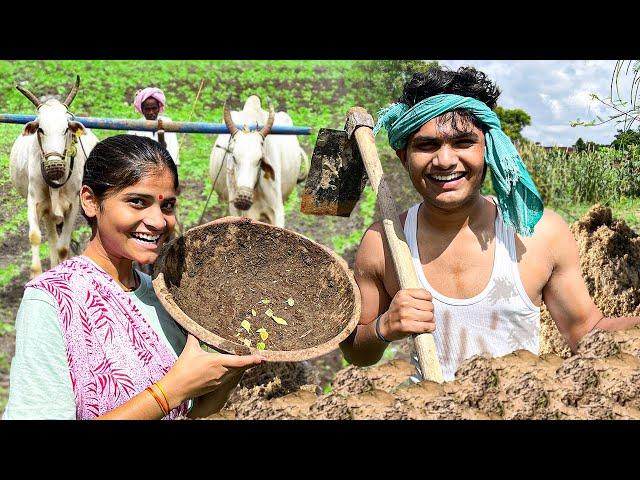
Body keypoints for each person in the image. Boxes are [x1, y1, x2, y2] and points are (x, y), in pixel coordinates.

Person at [339, 66, 640, 383]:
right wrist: (383, 327)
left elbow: (587, 332)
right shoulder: (383, 243)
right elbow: (357, 353)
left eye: (463, 142)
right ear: (404, 157)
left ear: (489, 148)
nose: (444, 160)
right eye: (426, 145)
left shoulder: (539, 235)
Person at [3, 135, 265, 419]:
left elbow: (194, 410)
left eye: (167, 206)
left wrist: (234, 365)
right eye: (138, 202)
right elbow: (173, 395)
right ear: (90, 201)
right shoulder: (52, 301)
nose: (158, 221)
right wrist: (170, 391)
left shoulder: (163, 298)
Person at [128, 87, 180, 167]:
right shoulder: (135, 127)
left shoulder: (168, 123)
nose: (151, 112)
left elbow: (173, 148)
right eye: (147, 109)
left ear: (159, 108)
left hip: (165, 166)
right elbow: (132, 155)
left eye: (154, 108)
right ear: (142, 110)